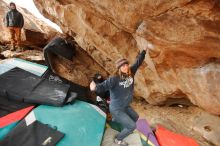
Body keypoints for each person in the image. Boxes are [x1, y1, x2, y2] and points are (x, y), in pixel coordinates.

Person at [90, 47, 148, 146]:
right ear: (119, 68)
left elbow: (138, 62)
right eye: (122, 66)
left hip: (125, 105)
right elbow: (103, 86)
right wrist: (94, 88)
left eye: (126, 65)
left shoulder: (131, 72)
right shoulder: (114, 79)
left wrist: (144, 52)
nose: (125, 67)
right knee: (132, 126)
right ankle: (118, 138)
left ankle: (119, 123)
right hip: (116, 108)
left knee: (135, 117)